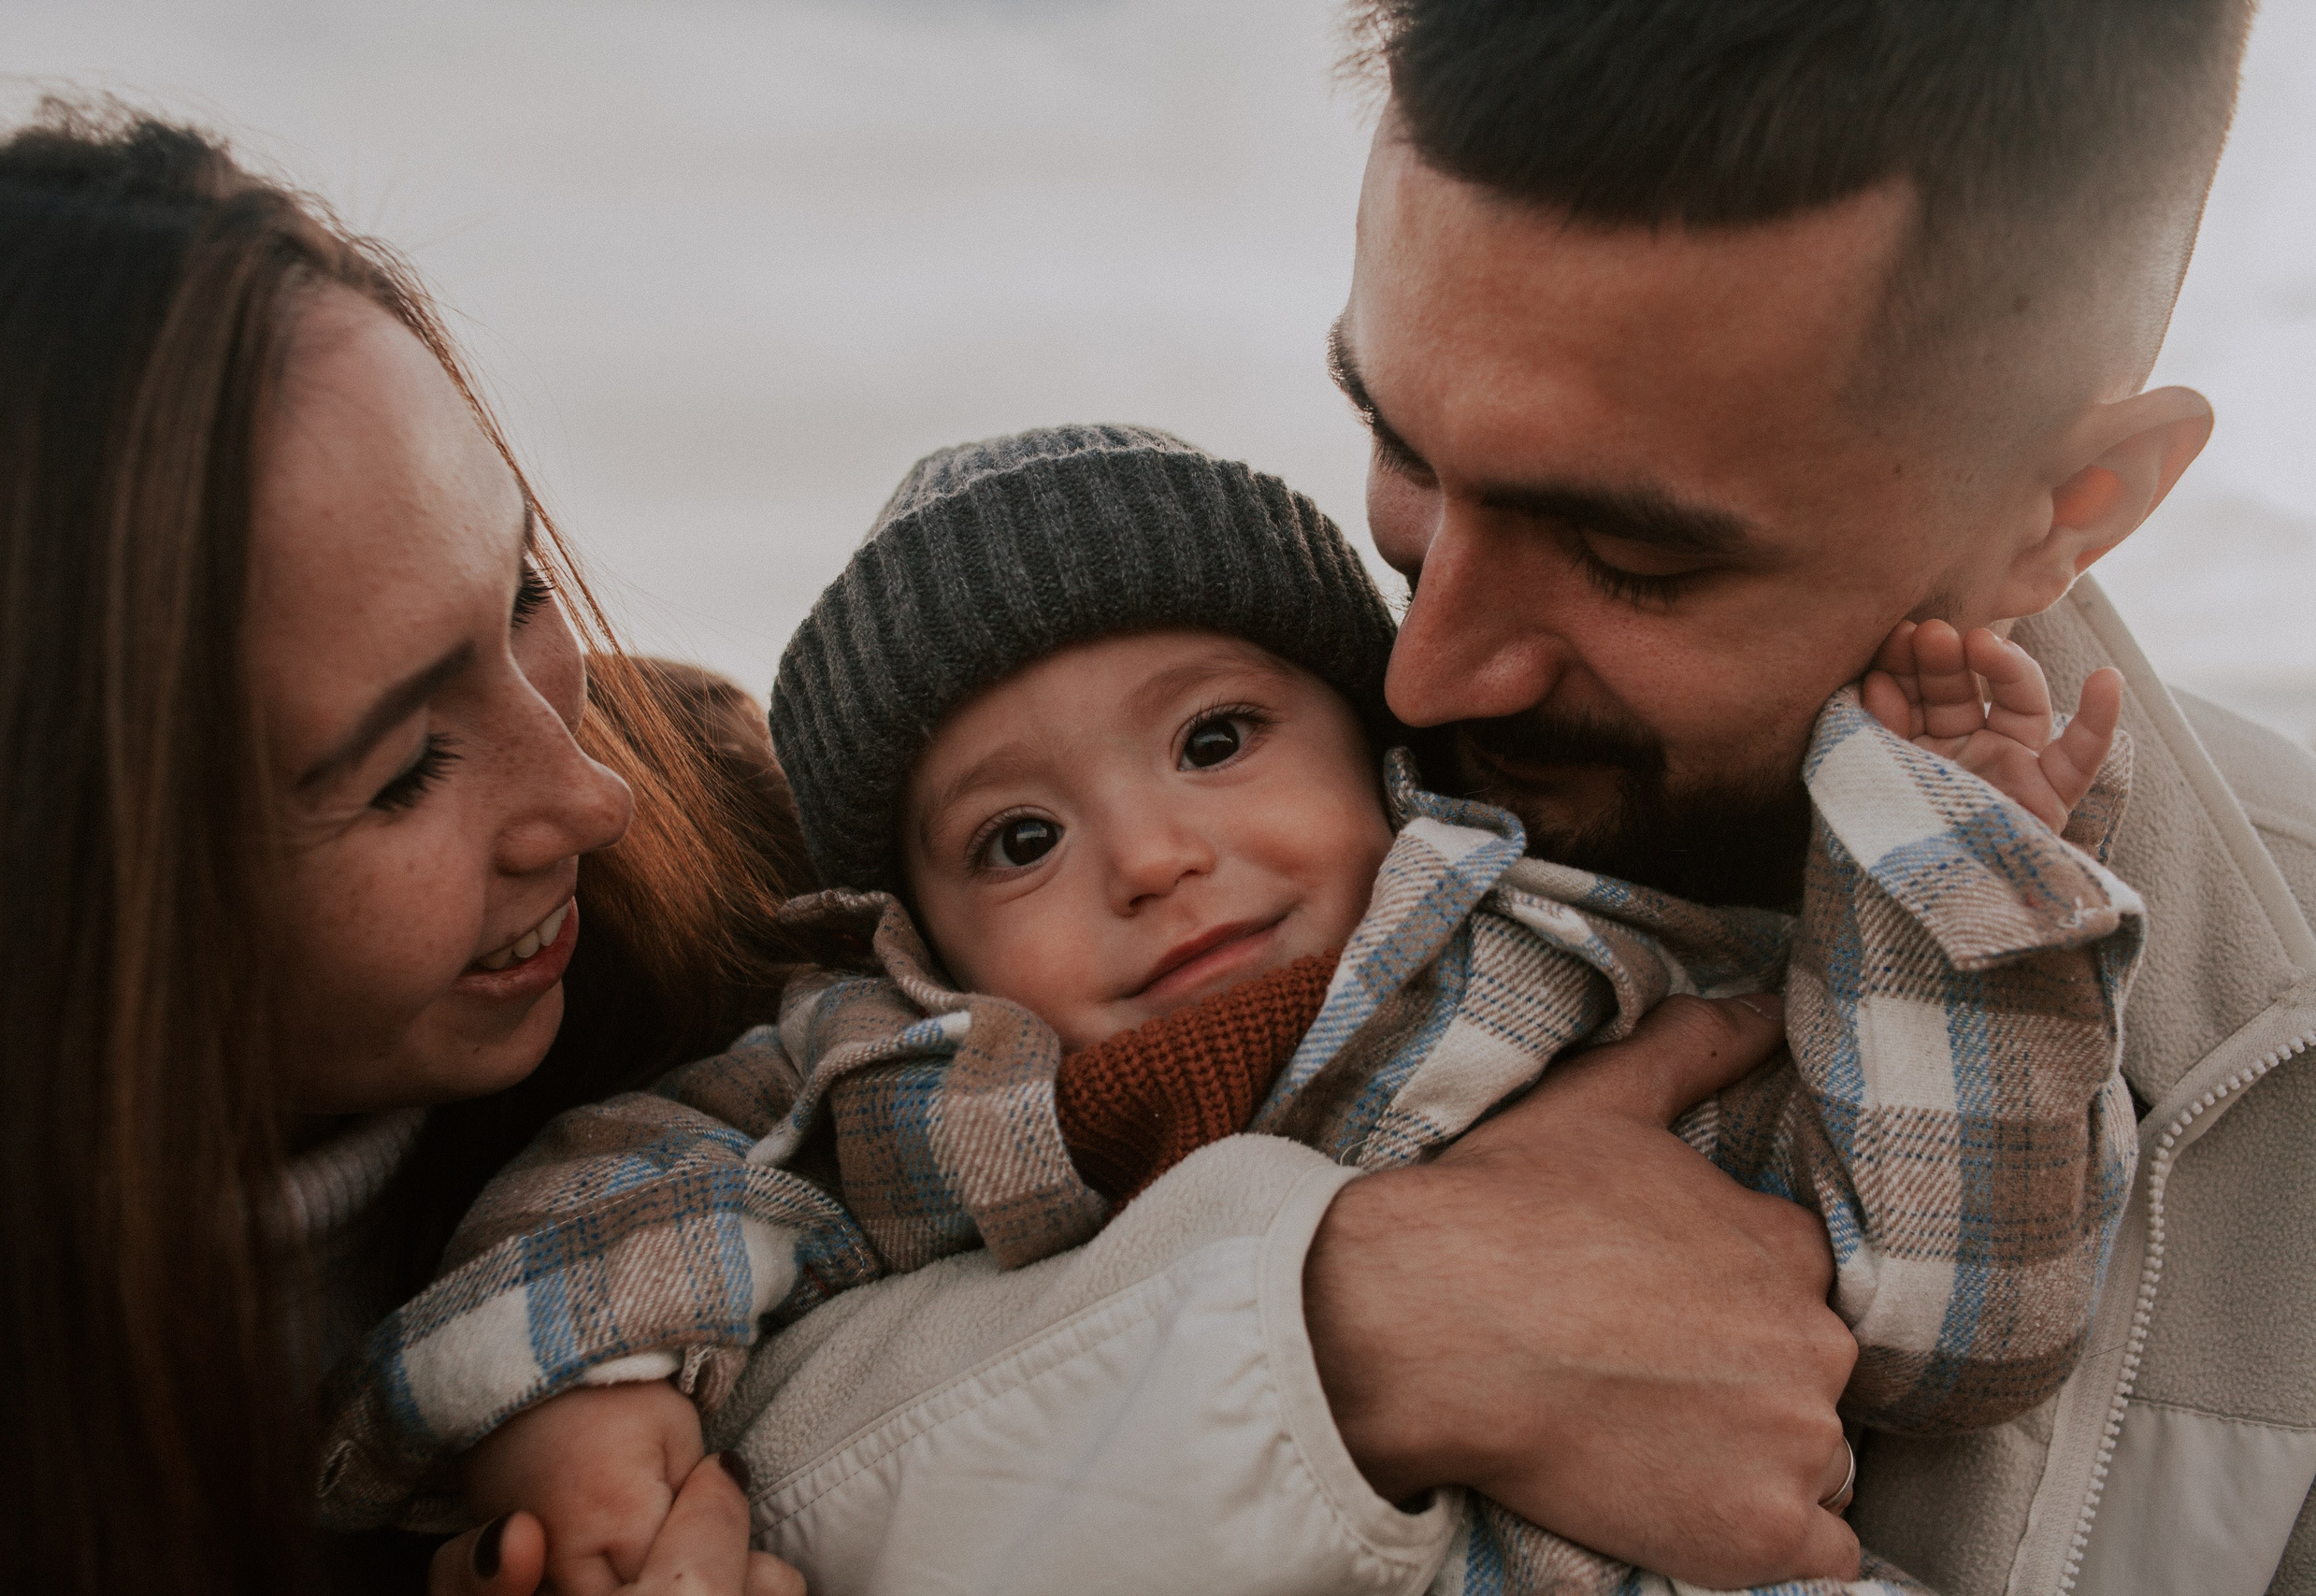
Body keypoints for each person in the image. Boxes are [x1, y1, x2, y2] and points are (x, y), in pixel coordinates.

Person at [480, 5, 2307, 1595]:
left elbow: (1954, 1299)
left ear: (2067, 506)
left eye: (1622, 553)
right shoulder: (999, 1002)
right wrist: (1333, 1337)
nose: (1420, 673)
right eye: (1401, 450)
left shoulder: (2272, 1064)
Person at [321, 425, 2139, 1596]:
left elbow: (1955, 1304)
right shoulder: (892, 1073)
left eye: (1213, 739)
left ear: (1376, 743)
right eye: (1016, 837)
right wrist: (580, 1407)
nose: (1149, 853)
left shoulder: (1588, 956)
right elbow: (630, 1170)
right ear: (922, 935)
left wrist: (1931, 853)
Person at [0, 107, 804, 1596]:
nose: (593, 799)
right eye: (404, 775)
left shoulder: (788, 860)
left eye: (524, 595)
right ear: (44, 896)